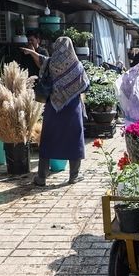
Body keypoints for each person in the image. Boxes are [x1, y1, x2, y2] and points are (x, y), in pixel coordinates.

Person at [21, 37, 90, 186]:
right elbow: (85, 86)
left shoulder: (50, 63)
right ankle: (73, 176)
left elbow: (42, 60)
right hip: (72, 109)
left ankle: (41, 177)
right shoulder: (77, 66)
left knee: (48, 140)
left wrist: (32, 53)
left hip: (53, 107)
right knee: (74, 140)